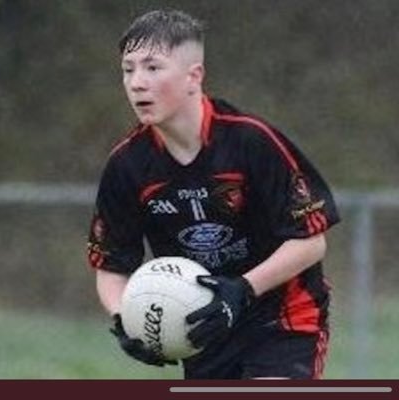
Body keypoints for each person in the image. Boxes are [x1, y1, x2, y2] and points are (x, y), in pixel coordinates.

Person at [87, 9, 340, 379]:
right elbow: (112, 268)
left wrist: (242, 290)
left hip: (282, 320)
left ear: (195, 76)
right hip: (202, 332)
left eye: (152, 68)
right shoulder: (127, 165)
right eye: (128, 69)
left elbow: (310, 242)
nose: (137, 82)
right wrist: (125, 318)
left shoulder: (251, 141)